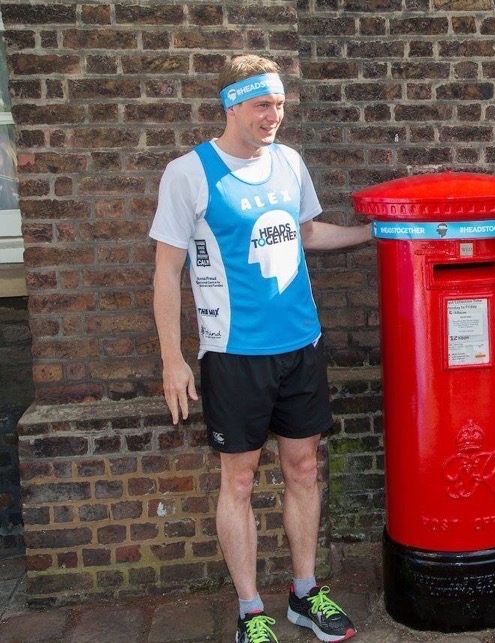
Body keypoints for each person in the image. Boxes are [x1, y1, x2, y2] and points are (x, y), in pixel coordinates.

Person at [150, 54, 370, 643]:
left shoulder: (290, 161)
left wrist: (376, 232)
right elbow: (166, 271)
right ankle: (252, 612)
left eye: (278, 104)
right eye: (260, 105)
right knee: (239, 483)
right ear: (231, 106)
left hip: (301, 344)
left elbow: (307, 234)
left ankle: (305, 594)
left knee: (303, 467)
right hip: (234, 355)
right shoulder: (188, 173)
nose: (272, 116)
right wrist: (173, 359)